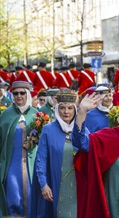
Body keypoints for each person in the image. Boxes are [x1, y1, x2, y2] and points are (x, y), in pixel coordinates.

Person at [31, 89, 78, 217]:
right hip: (55, 184)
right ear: (57, 109)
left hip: (77, 187)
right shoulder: (48, 129)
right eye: (62, 108)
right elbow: (41, 159)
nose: (66, 112)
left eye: (70, 108)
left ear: (75, 110)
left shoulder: (81, 131)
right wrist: (44, 184)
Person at [0, 81, 38, 217]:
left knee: (31, 195)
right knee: (13, 196)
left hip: (31, 165)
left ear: (27, 94)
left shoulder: (37, 115)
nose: (19, 96)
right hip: (11, 164)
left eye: (22, 93)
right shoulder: (5, 115)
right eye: (15, 93)